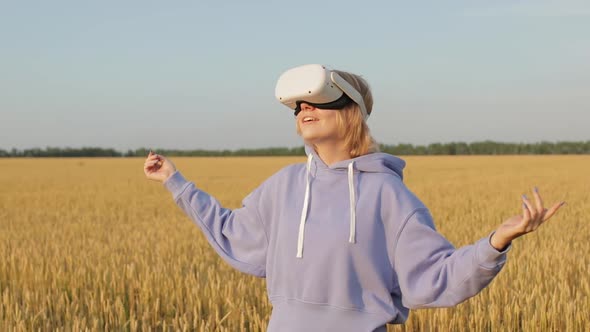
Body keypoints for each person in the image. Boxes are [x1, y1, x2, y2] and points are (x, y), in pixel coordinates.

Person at [143, 64, 565, 331]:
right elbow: (232, 233)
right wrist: (175, 181)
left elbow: (433, 278)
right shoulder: (284, 186)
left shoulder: (387, 193)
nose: (304, 108)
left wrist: (496, 241)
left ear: (351, 111)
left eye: (318, 101)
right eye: (297, 106)